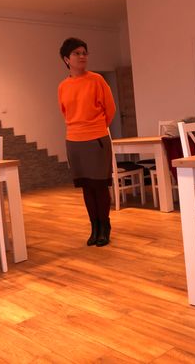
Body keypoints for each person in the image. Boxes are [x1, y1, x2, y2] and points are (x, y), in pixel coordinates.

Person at [58, 37, 116, 247]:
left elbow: (110, 109)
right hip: (74, 141)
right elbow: (65, 112)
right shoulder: (63, 86)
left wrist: (96, 128)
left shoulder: (97, 80)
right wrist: (79, 130)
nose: (82, 56)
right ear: (67, 59)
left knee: (99, 186)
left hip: (96, 139)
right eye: (77, 53)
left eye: (84, 53)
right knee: (86, 187)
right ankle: (94, 227)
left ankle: (105, 227)